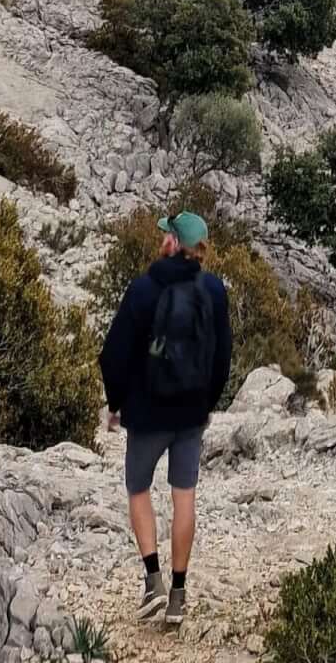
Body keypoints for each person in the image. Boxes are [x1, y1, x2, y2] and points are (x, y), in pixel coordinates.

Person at [99, 211, 233, 624]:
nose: (161, 241)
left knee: (138, 488)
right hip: (191, 413)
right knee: (184, 497)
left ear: (175, 243)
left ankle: (151, 580)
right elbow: (223, 356)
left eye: (166, 236)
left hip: (147, 413)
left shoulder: (142, 289)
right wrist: (206, 404)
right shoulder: (213, 289)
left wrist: (117, 403)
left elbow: (113, 354)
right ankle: (178, 594)